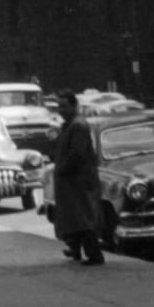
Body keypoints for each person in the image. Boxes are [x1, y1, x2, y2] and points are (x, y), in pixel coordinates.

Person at [52, 89, 104, 265]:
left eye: (65, 106)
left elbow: (77, 153)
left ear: (75, 106)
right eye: (59, 107)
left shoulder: (77, 125)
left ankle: (94, 254)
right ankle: (74, 249)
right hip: (70, 181)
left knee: (81, 218)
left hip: (78, 181)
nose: (61, 110)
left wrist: (62, 169)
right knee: (72, 217)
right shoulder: (69, 124)